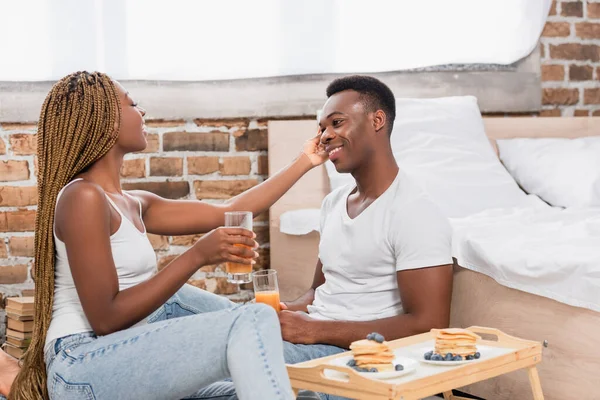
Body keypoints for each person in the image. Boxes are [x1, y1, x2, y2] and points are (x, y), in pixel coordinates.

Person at [4, 71, 327, 400]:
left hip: (127, 358)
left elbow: (230, 209)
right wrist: (197, 256)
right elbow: (106, 319)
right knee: (252, 318)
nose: (142, 112)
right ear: (105, 120)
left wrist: (306, 160)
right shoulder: (82, 197)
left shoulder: (134, 203)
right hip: (82, 363)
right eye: (132, 103)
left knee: (281, 387)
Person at [279, 75, 454, 367]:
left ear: (377, 121)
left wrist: (313, 330)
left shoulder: (414, 211)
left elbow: (428, 326)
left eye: (336, 123)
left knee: (233, 359)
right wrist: (283, 313)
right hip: (316, 335)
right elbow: (319, 291)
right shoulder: (333, 204)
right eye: (321, 128)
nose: (324, 136)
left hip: (356, 354)